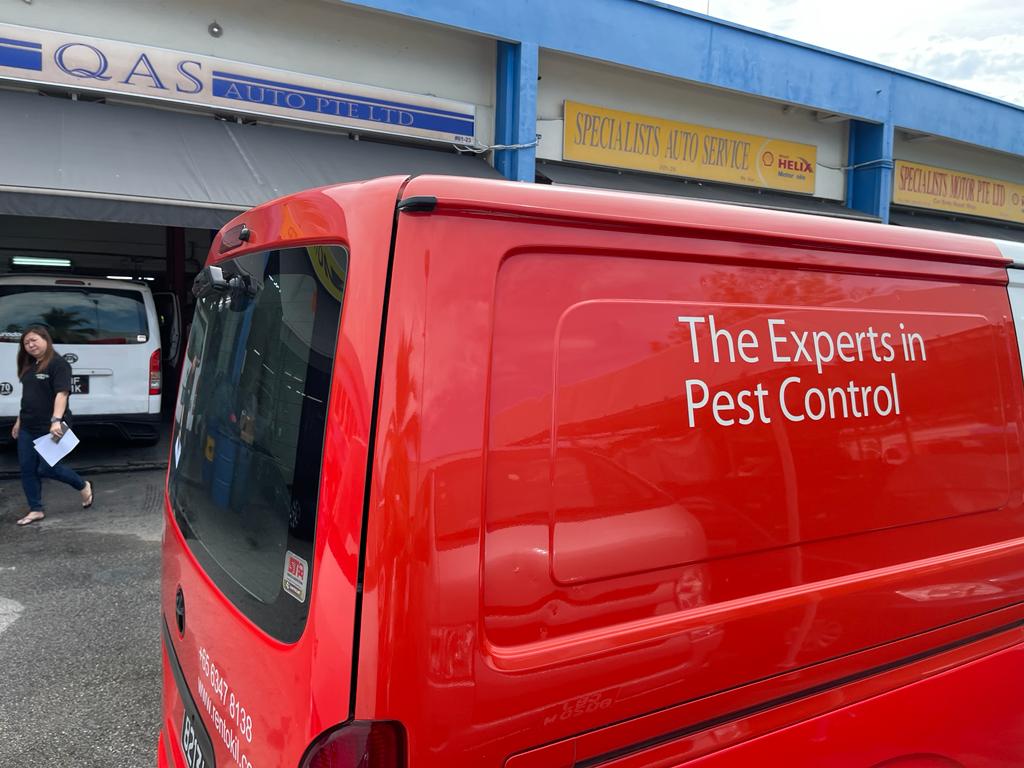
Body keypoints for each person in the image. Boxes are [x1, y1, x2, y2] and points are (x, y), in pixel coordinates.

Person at [11, 325, 93, 525]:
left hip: (52, 426)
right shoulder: (29, 365)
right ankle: (35, 509)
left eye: (34, 340)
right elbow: (28, 397)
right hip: (27, 426)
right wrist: (19, 421)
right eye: (26, 343)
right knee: (27, 468)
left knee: (47, 468)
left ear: (45, 339)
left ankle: (83, 485)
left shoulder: (59, 364)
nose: (30, 345)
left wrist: (56, 420)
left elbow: (62, 394)